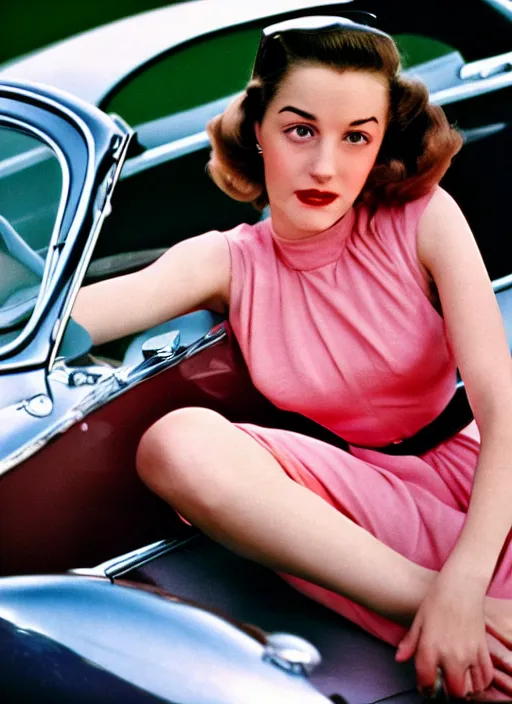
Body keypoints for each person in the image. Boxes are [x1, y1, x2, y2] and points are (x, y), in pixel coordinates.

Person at [73, 15, 512, 701]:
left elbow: (502, 406)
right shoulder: (227, 260)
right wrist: (446, 600)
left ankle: (457, 613)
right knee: (176, 442)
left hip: (490, 481)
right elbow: (73, 319)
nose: (326, 166)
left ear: (380, 144)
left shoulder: (423, 216)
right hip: (358, 511)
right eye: (301, 130)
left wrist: (466, 579)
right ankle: (435, 611)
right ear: (258, 129)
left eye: (356, 136)